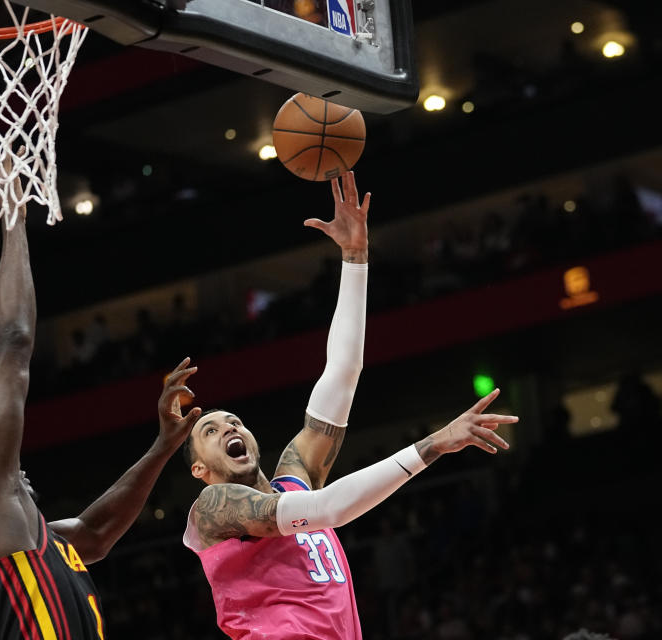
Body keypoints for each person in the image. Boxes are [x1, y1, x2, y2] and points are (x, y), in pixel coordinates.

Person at [177, 172, 519, 639]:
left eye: (232, 420)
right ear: (199, 469)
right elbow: (328, 511)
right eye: (210, 431)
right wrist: (431, 446)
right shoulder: (215, 505)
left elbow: (342, 373)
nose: (228, 427)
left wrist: (354, 259)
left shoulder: (294, 481)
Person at [0, 197, 203, 640]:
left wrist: (162, 447)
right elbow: (12, 343)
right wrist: (14, 221)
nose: (0, 452)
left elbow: (95, 532)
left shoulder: (20, 533)